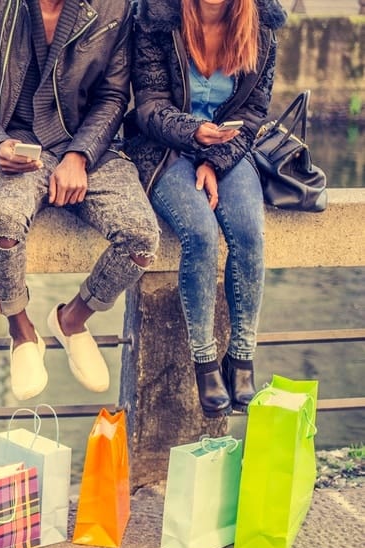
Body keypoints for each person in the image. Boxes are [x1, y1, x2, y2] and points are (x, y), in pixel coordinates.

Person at [0, 0, 160, 400]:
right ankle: (21, 329)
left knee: (141, 238)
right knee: (4, 223)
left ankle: (73, 320)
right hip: (9, 145)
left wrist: (79, 155)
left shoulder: (115, 6)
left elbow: (114, 97)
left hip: (85, 146)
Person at [127, 0, 286, 418]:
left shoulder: (263, 26)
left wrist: (214, 161)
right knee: (199, 233)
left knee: (249, 233)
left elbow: (253, 111)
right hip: (164, 148)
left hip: (230, 151)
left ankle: (242, 357)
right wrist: (195, 136)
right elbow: (149, 105)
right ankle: (205, 361)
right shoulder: (156, 19)